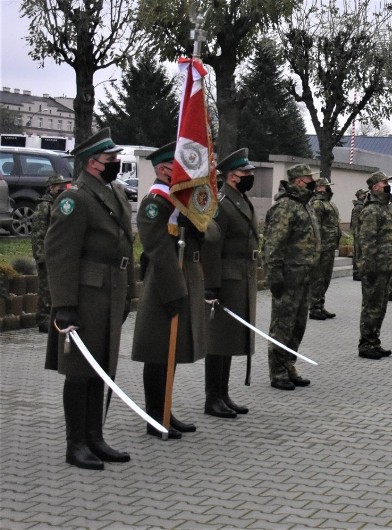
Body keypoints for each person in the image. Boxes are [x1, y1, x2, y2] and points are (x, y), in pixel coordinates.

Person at [44, 127, 134, 470]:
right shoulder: (76, 197)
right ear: (93, 163)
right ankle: (76, 443)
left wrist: (128, 291)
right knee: (81, 370)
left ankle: (95, 437)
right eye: (111, 159)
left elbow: (123, 245)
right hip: (86, 295)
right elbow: (59, 254)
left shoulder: (111, 190)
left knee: (102, 367)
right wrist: (64, 306)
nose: (116, 163)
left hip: (110, 290)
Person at [131, 141, 207, 436]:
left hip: (177, 281)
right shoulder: (155, 202)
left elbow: (205, 236)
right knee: (158, 352)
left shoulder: (176, 201)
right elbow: (158, 249)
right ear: (164, 170)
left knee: (169, 355)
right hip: (162, 285)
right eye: (179, 168)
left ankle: (166, 410)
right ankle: (155, 416)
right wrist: (175, 290)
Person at [202, 148, 259, 416]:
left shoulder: (240, 199)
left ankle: (223, 394)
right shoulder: (222, 202)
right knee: (219, 340)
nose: (250, 176)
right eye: (246, 173)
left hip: (241, 274)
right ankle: (212, 397)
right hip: (226, 277)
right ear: (233, 176)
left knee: (230, 339)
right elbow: (212, 246)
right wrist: (211, 285)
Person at [264, 164, 319, 390]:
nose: (312, 182)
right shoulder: (286, 207)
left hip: (304, 275)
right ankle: (277, 372)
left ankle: (289, 364)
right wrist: (274, 275)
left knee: (298, 324)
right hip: (288, 276)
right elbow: (274, 244)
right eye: (308, 179)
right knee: (282, 325)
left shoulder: (305, 206)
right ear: (298, 181)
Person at [356, 171, 392, 359]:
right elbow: (367, 241)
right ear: (374, 187)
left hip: (385, 266)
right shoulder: (372, 210)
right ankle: (365, 344)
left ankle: (374, 341)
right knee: (371, 306)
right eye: (384, 183)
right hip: (374, 267)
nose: (387, 186)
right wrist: (369, 267)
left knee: (380, 306)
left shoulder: (384, 207)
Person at [31, 174, 70, 332]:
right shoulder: (44, 206)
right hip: (47, 253)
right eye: (58, 185)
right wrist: (40, 255)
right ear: (50, 187)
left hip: (61, 254)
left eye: (63, 185)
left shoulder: (64, 204)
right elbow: (38, 233)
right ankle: (44, 319)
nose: (61, 188)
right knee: (46, 289)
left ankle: (55, 318)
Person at [309, 177, 341, 320]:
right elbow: (315, 227)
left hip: (330, 246)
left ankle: (320, 305)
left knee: (325, 278)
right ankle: (314, 307)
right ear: (319, 187)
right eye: (325, 186)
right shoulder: (317, 204)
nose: (328, 188)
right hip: (321, 247)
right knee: (318, 278)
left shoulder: (329, 204)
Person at [351, 189, 367, 281]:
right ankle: (356, 273)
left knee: (360, 253)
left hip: (361, 233)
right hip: (358, 233)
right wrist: (358, 233)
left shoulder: (362, 206)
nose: (365, 196)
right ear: (359, 196)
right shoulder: (358, 207)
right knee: (358, 253)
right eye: (363, 194)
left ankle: (360, 271)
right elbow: (355, 222)